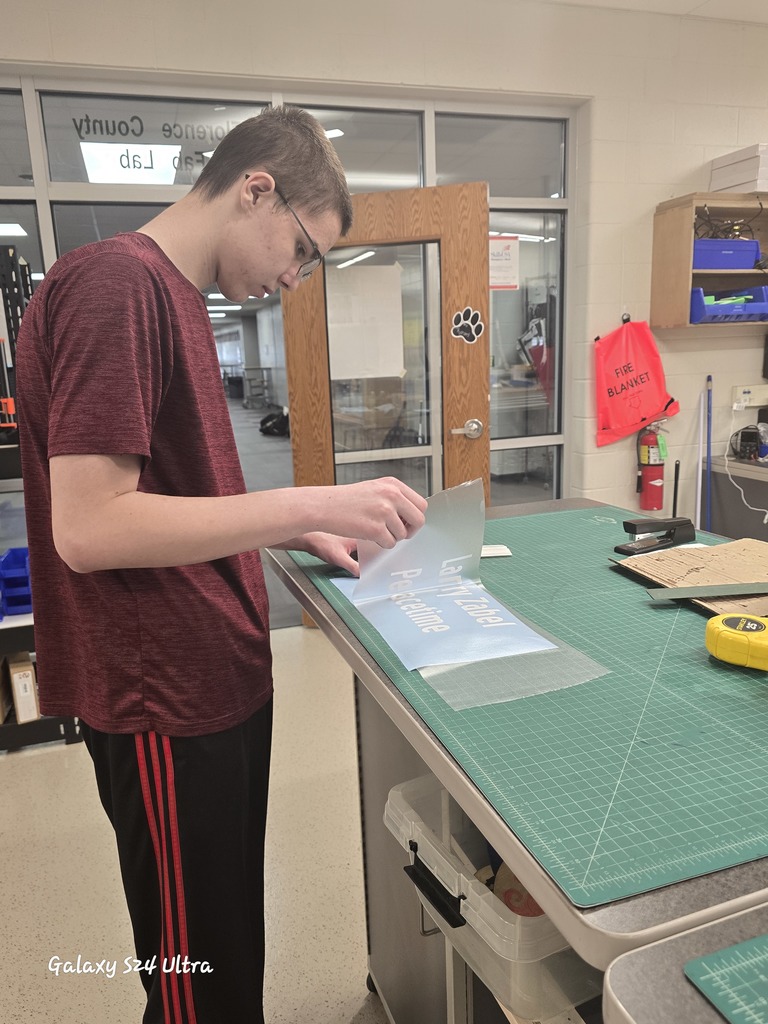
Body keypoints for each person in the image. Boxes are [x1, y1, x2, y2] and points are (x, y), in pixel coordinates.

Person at [15, 105, 427, 1024]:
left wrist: (288, 533)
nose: (296, 279)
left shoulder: (175, 298)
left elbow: (174, 495)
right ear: (256, 189)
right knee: (194, 971)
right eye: (304, 252)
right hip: (165, 693)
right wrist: (310, 501)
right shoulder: (116, 285)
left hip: (213, 678)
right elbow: (89, 526)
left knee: (225, 944)